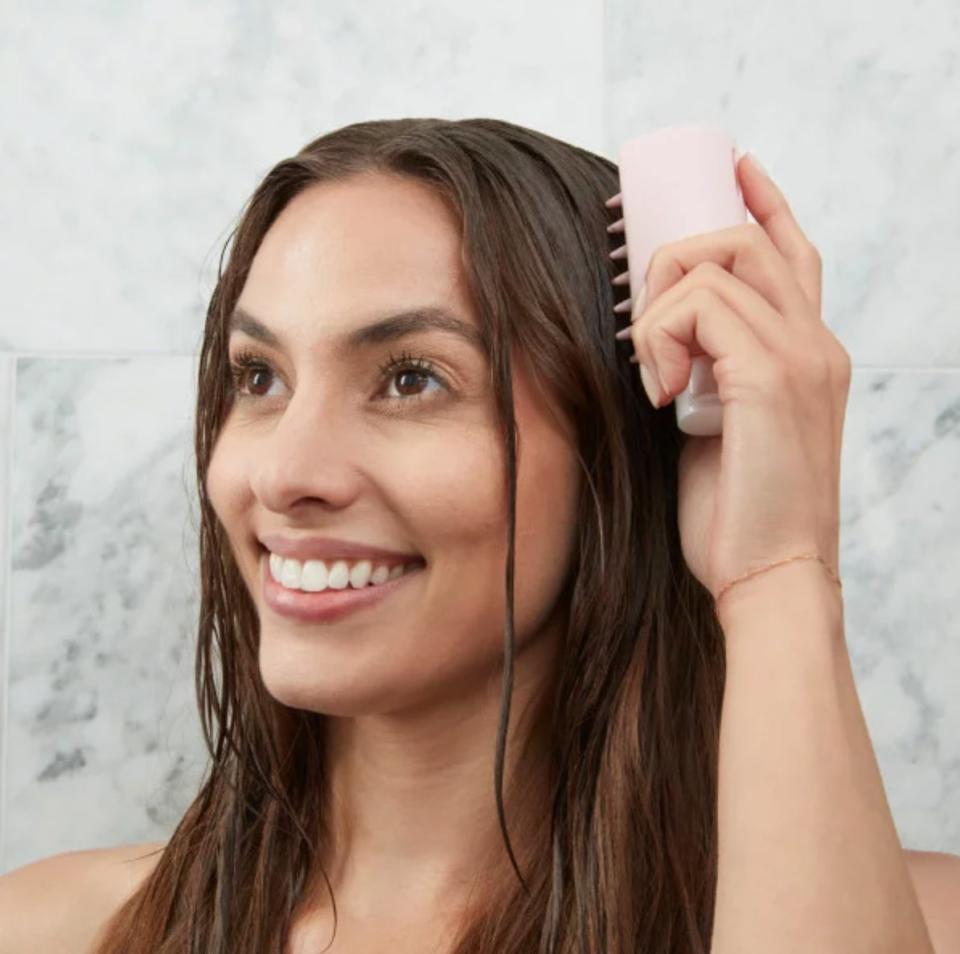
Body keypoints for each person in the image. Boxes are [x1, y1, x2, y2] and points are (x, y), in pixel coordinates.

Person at [2, 118, 958, 954]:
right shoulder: (52, 931)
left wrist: (778, 573)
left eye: (411, 377)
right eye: (259, 378)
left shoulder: (918, 924)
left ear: (614, 451)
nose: (284, 475)